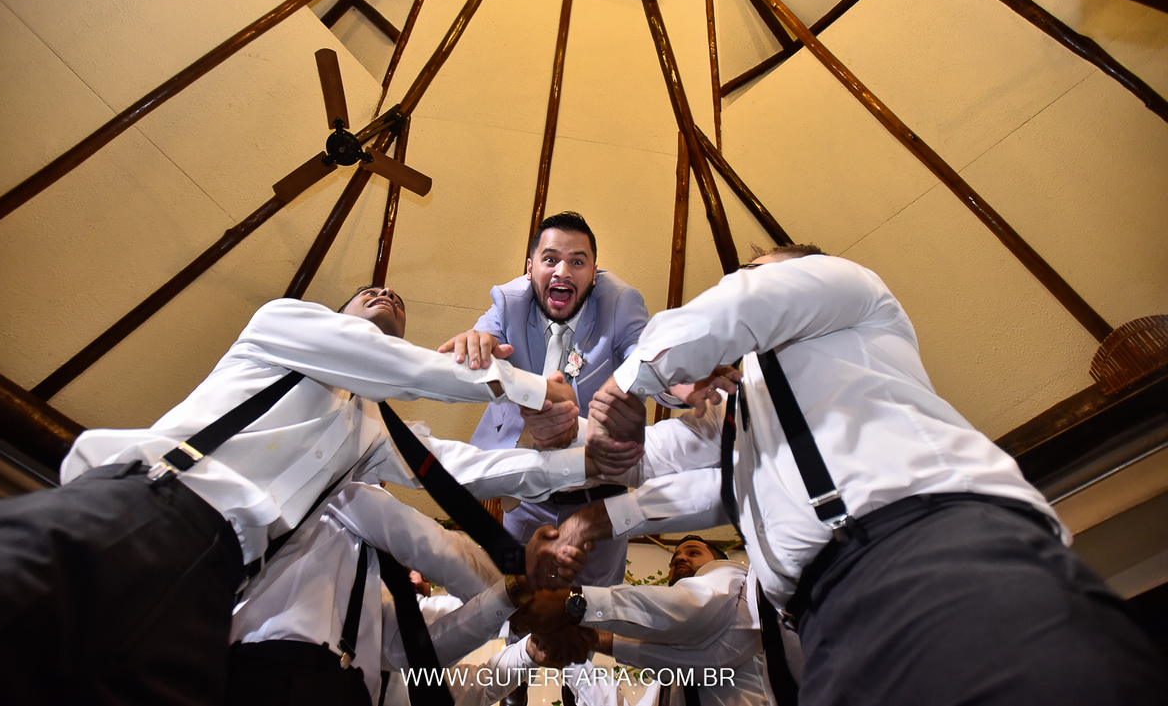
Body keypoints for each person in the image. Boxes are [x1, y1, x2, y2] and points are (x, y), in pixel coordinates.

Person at [547, 245, 1168, 705]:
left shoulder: (851, 291)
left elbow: (735, 309)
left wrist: (629, 384)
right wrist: (548, 446)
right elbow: (661, 463)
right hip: (827, 628)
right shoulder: (741, 407)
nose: (736, 285)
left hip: (924, 558)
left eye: (756, 269)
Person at [0, 284, 581, 706]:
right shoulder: (282, 325)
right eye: (368, 293)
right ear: (336, 316)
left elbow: (464, 469)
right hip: (148, 509)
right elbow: (414, 371)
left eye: (396, 300)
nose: (387, 294)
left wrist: (586, 464)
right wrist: (532, 387)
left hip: (216, 588)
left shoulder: (372, 430)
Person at [439, 212, 664, 587]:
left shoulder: (621, 304)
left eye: (578, 261)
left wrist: (679, 372)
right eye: (550, 259)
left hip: (600, 499)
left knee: (590, 615)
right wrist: (478, 343)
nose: (562, 271)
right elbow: (484, 338)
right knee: (517, 604)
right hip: (526, 499)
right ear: (530, 268)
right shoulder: (510, 302)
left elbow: (650, 358)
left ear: (594, 273)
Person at [229, 482, 544, 705]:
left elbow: (417, 649)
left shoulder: (326, 527)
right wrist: (517, 608)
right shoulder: (340, 508)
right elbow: (434, 549)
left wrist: (519, 626)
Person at [512, 536, 776, 706]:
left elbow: (692, 611)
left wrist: (576, 603)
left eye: (693, 552)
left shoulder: (732, 579)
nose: (680, 558)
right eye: (674, 560)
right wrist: (573, 652)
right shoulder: (665, 676)